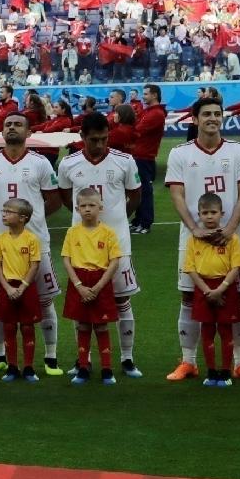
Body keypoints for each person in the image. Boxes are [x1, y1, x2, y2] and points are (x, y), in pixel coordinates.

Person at [165, 93, 240, 382]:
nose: (213, 119)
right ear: (195, 119)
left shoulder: (239, 151)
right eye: (207, 114)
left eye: (218, 114)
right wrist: (194, 228)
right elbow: (176, 194)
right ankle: (188, 361)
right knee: (189, 296)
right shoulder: (180, 153)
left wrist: (230, 228)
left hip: (231, 236)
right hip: (192, 237)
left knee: (237, 297)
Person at [56, 112, 144, 376]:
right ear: (82, 137)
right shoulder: (68, 163)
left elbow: (135, 195)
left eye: (104, 139)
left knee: (122, 299)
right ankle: (84, 361)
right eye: (94, 140)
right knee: (82, 302)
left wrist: (117, 220)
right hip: (82, 245)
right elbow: (64, 195)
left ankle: (127, 359)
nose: (99, 144)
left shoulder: (124, 161)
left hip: (117, 242)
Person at [0, 113, 66, 375]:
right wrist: (5, 221)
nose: (12, 128)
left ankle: (50, 356)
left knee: (44, 301)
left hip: (36, 245)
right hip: (1, 247)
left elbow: (53, 200)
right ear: (2, 131)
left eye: (18, 124)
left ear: (28, 132)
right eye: (8, 125)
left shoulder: (41, 163)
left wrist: (31, 222)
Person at [61, 186, 123, 385]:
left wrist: (97, 287)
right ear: (77, 209)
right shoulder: (72, 232)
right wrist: (79, 285)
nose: (87, 209)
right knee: (83, 325)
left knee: (102, 326)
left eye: (92, 205)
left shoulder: (108, 233)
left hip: (100, 280)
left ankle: (107, 369)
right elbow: (66, 260)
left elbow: (114, 261)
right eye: (83, 206)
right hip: (79, 280)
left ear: (100, 208)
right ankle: (83, 368)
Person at [184, 192, 240, 388]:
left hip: (225, 287)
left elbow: (236, 266)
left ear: (221, 213)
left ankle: (226, 371)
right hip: (203, 288)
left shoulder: (231, 239)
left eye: (213, 212)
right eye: (205, 213)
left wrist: (221, 289)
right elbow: (190, 268)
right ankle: (211, 371)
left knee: (226, 330)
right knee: (208, 330)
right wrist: (207, 291)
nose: (209, 216)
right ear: (199, 215)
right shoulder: (194, 240)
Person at [0, 199, 43, 383]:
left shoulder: (31, 239)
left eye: (8, 211)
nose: (3, 214)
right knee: (9, 326)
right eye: (3, 210)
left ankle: (28, 367)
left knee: (28, 326)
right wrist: (7, 287)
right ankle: (12, 366)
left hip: (25, 287)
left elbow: (34, 265)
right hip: (7, 286)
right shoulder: (0, 239)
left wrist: (22, 287)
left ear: (23, 218)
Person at [128, 85, 166, 233]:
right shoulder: (149, 111)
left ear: (155, 95)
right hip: (139, 155)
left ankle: (145, 223)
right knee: (138, 191)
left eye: (145, 94)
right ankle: (138, 220)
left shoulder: (156, 113)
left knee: (144, 191)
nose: (143, 96)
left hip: (144, 156)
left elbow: (137, 130)